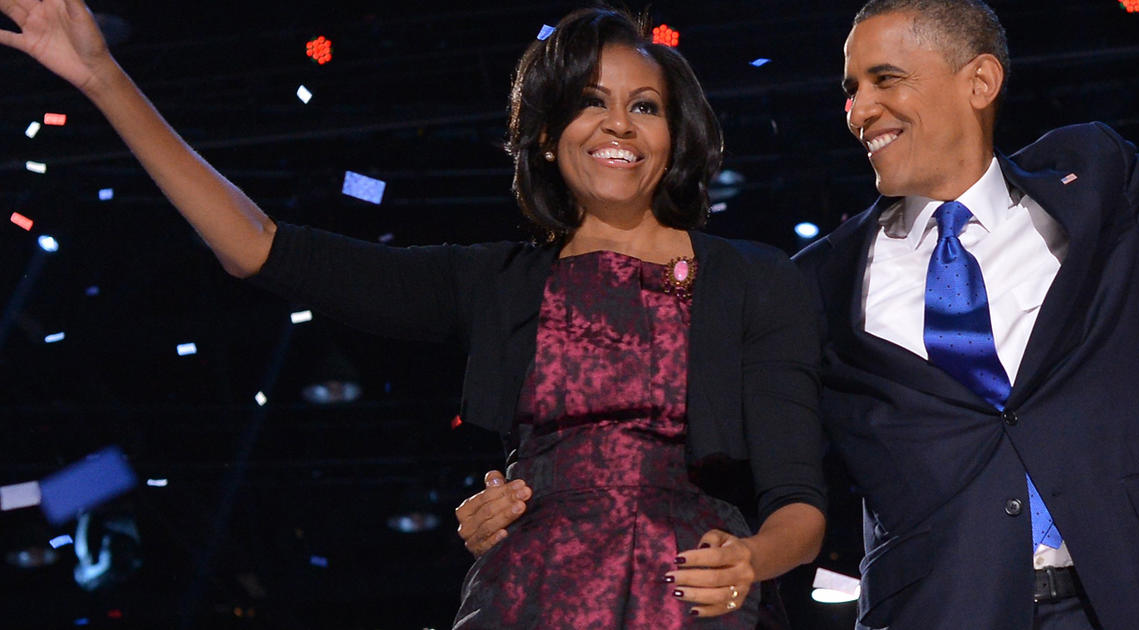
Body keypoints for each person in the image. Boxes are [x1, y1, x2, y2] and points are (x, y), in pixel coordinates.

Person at [0, 1, 829, 626]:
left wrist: (754, 556)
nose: (618, 123)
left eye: (644, 105)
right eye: (588, 102)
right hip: (528, 596)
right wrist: (101, 76)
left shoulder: (755, 283)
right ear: (545, 136)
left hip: (690, 599)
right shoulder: (493, 282)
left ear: (674, 132)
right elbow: (259, 247)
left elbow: (801, 503)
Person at [459, 0, 1139, 628]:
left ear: (979, 81)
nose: (858, 110)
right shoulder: (810, 284)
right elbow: (724, 450)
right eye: (850, 89)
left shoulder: (1093, 186)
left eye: (885, 80)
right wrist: (535, 495)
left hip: (1128, 596)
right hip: (939, 609)